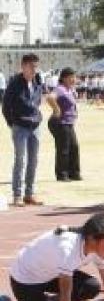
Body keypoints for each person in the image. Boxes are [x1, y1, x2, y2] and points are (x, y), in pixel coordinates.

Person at [2, 53, 45, 207]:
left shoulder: (38, 81)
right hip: (20, 126)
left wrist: (37, 117)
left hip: (35, 126)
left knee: (33, 160)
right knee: (20, 160)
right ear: (23, 66)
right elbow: (6, 106)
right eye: (32, 66)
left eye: (36, 66)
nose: (35, 69)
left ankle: (29, 193)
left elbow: (38, 101)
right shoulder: (14, 83)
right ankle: (17, 194)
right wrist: (12, 123)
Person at [46, 67, 82, 182]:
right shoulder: (60, 89)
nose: (73, 79)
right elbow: (50, 97)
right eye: (71, 77)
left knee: (74, 147)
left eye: (74, 77)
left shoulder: (69, 89)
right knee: (63, 149)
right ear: (64, 78)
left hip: (69, 123)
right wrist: (56, 109)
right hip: (60, 123)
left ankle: (74, 173)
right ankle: (62, 174)